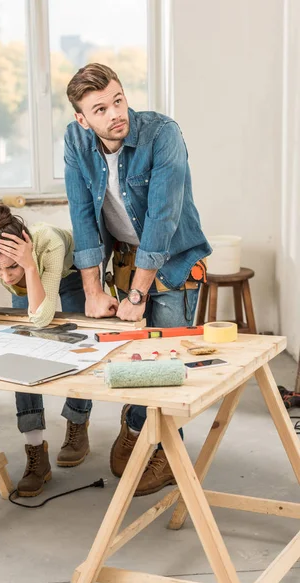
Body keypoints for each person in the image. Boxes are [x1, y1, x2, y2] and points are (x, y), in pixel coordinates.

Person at [64, 63, 212, 496]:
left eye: (118, 100)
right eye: (100, 109)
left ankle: (167, 454)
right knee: (130, 357)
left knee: (165, 364)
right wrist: (93, 290)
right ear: (82, 119)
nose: (115, 113)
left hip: (172, 262)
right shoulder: (75, 141)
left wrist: (136, 293)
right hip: (124, 258)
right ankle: (136, 428)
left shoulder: (162, 134)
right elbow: (82, 214)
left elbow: (163, 220)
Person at [0, 204, 92, 497]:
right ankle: (36, 449)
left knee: (81, 347)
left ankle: (78, 423)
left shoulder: (49, 244)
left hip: (72, 273)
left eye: (11, 266)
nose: (5, 277)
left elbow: (43, 316)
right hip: (32, 279)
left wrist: (30, 266)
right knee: (23, 355)